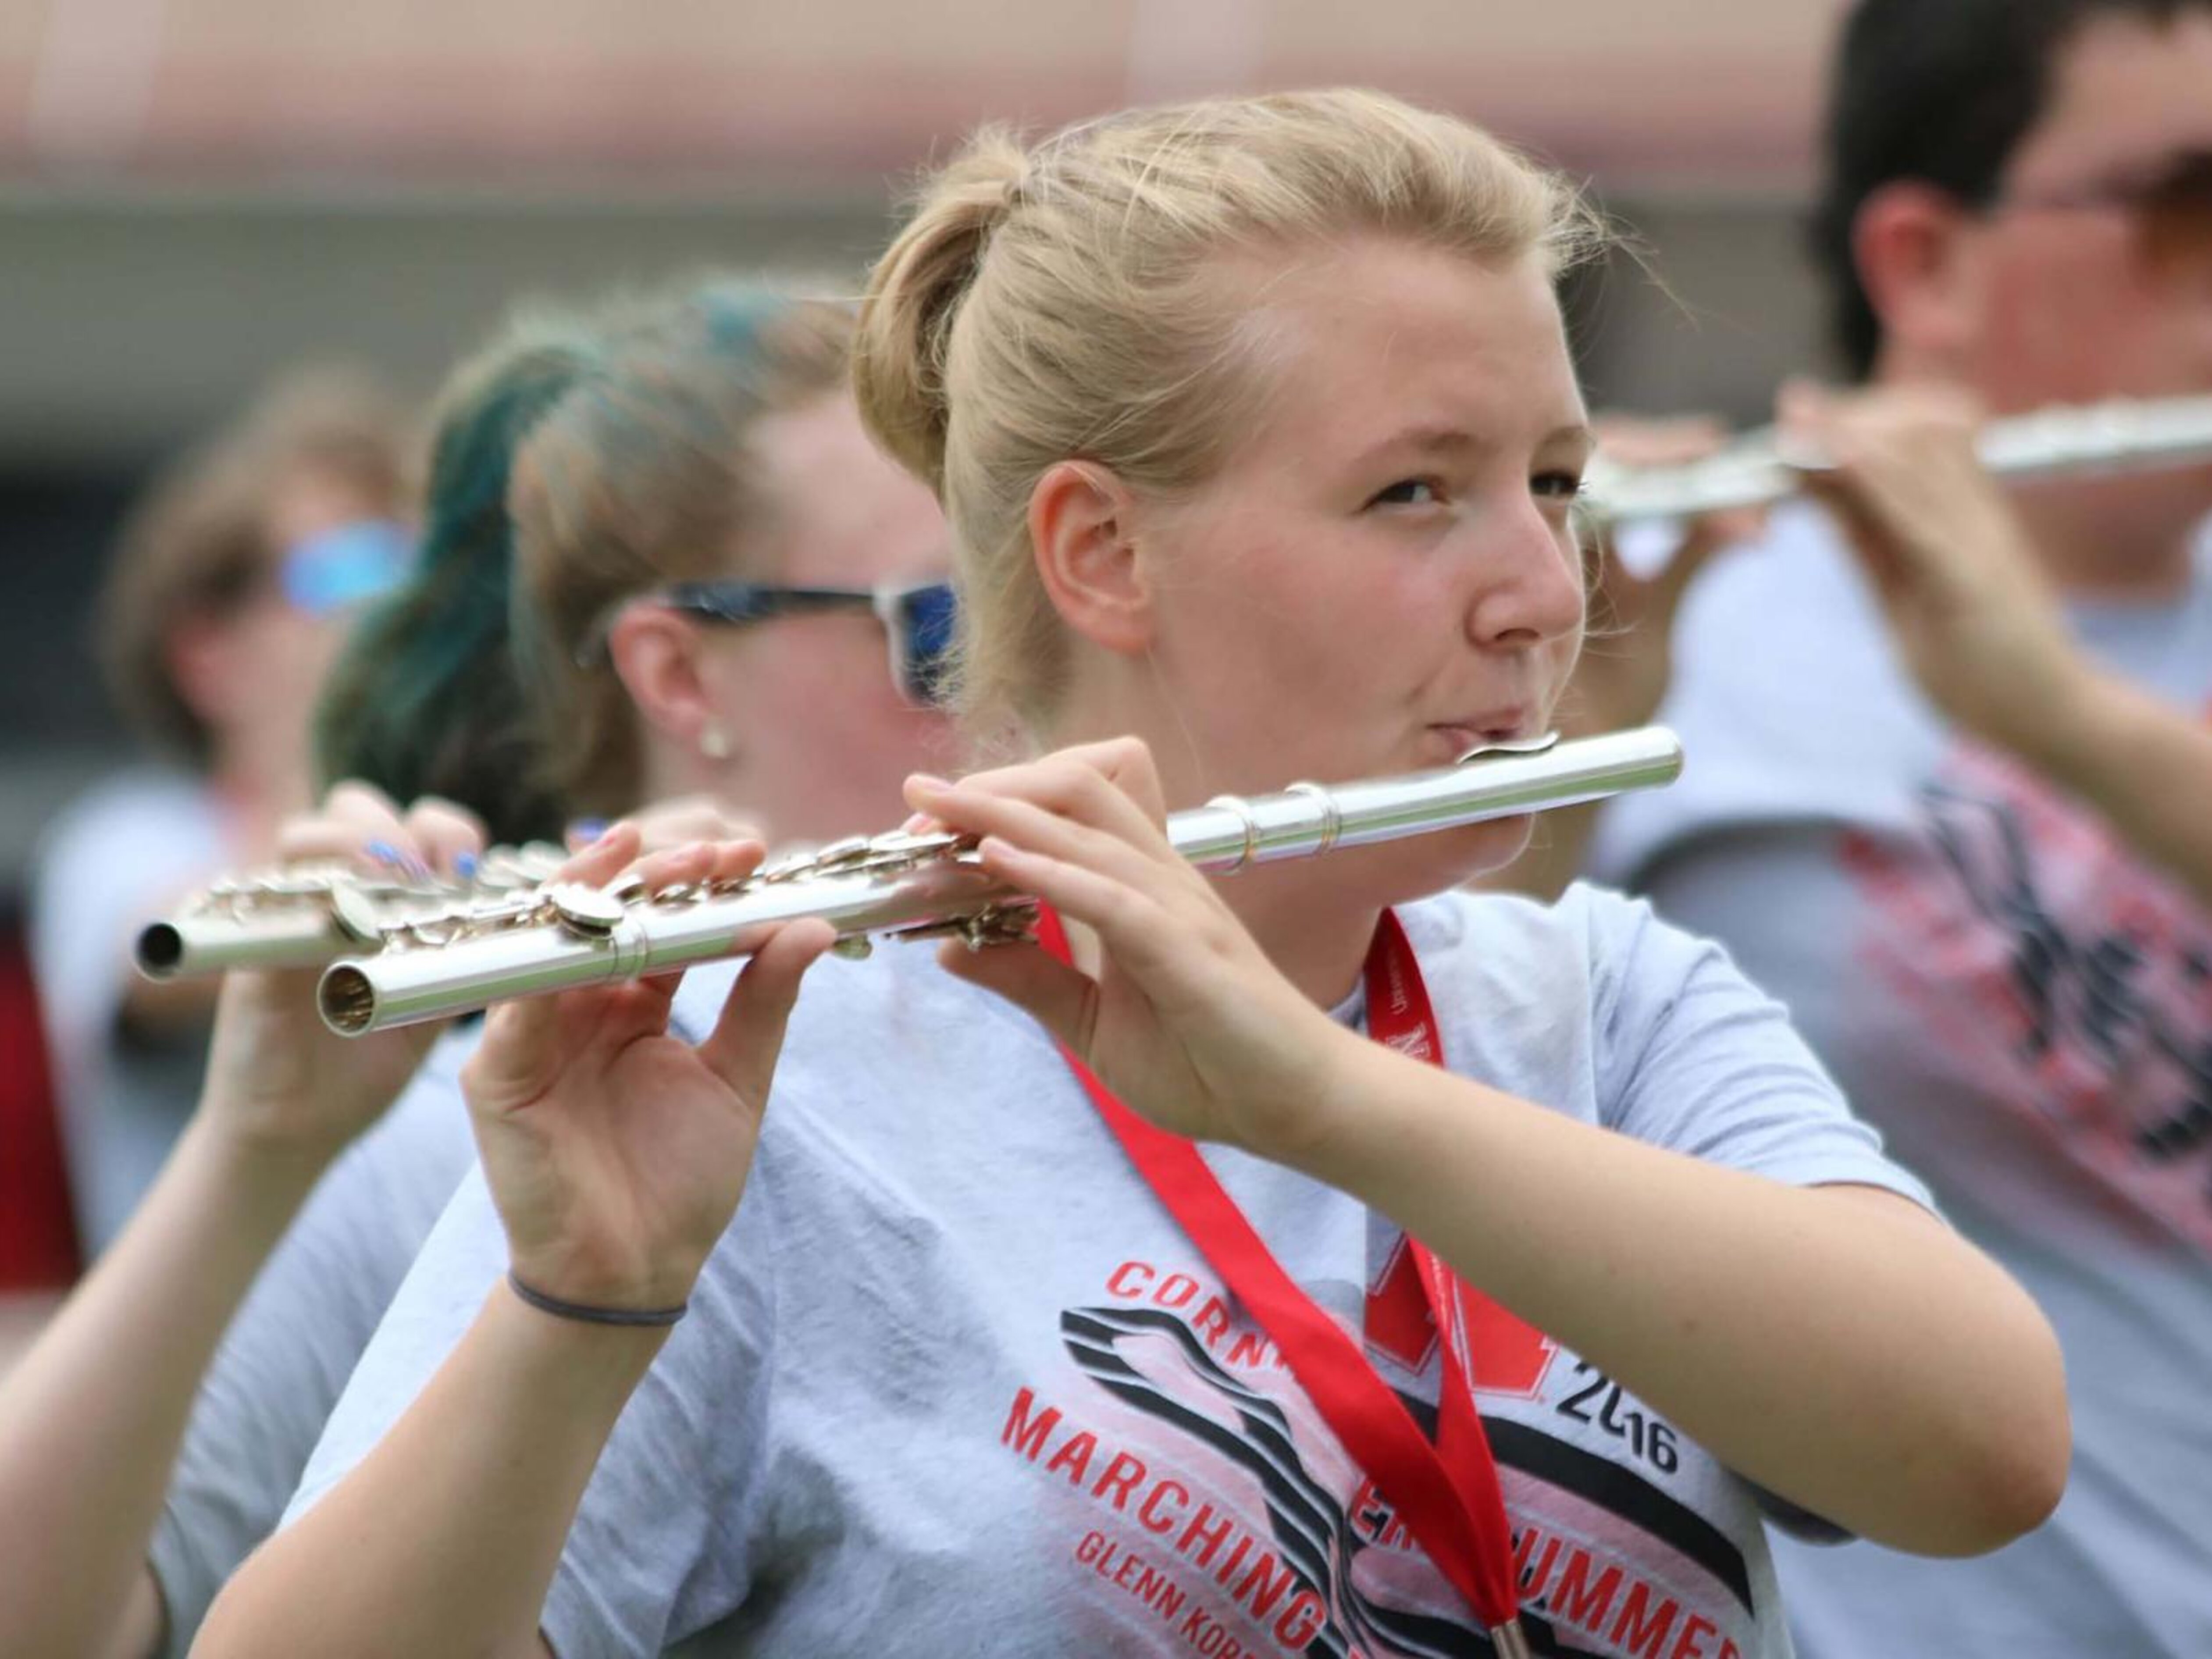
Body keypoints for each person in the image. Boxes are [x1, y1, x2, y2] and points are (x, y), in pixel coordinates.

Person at [202, 89, 2066, 1659]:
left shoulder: (1611, 1003)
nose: (1541, 593)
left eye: (1554, 484)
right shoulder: (766, 1071)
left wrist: (1321, 1095)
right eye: (1415, 492)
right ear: (1100, 552)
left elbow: (1980, 1452)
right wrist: (574, 1312)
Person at [0, 280, 955, 1659]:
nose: (994, 683)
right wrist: (258, 1146)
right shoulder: (443, 1133)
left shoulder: (1085, 1034)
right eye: (929, 621)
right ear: (677, 676)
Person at [1524, 2, 2212, 1653]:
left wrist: (2061, 719)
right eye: (2190, 207)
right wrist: (1562, 741)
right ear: (1922, 262)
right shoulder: (1693, 619)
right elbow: (1448, 1047)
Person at [26, 370, 411, 1256]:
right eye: (351, 573)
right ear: (210, 654)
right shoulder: (127, 837)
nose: (394, 614)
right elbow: (159, 956)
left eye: (413, 569)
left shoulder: (456, 826)